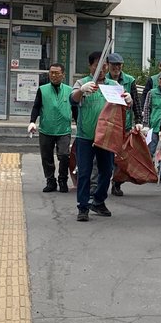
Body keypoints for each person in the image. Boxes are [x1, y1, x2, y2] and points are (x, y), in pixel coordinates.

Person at [70, 51, 128, 222]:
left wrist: (128, 99)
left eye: (104, 66)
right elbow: (72, 99)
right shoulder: (83, 83)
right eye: (97, 66)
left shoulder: (113, 85)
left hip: (106, 137)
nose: (101, 70)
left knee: (107, 170)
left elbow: (123, 104)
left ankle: (98, 201)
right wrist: (81, 91)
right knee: (84, 172)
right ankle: (83, 207)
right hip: (85, 136)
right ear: (90, 66)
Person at [27, 62, 75, 193]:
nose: (53, 76)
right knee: (47, 157)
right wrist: (32, 121)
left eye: (57, 73)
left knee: (64, 155)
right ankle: (50, 181)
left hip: (63, 130)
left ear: (63, 75)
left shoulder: (70, 91)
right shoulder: (42, 90)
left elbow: (75, 109)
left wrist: (79, 124)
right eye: (51, 73)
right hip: (46, 130)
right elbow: (36, 107)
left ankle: (62, 180)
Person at [106, 52, 143, 197]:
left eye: (119, 65)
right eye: (113, 65)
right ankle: (102, 182)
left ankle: (117, 183)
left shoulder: (129, 80)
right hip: (107, 124)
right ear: (108, 65)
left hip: (124, 125)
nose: (116, 68)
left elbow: (136, 102)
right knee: (106, 156)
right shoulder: (103, 79)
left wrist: (139, 121)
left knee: (122, 157)